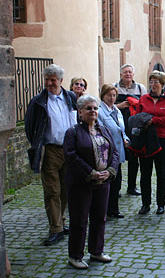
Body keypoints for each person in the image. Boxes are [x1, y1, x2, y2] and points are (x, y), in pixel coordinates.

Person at [25, 64, 77, 246]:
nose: (49, 83)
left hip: (69, 150)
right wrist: (37, 145)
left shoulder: (70, 97)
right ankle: (55, 229)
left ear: (61, 81)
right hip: (50, 151)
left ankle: (61, 223)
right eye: (47, 80)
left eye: (53, 80)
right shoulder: (38, 102)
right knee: (52, 191)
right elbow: (30, 127)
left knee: (65, 189)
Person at [64, 95, 119, 269]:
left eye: (95, 108)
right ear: (80, 112)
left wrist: (109, 171)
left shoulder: (103, 129)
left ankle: (96, 251)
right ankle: (75, 256)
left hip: (103, 182)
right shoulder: (72, 132)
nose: (93, 111)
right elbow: (71, 156)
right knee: (79, 221)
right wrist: (91, 173)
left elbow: (115, 152)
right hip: (82, 183)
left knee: (99, 218)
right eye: (89, 108)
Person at [137, 70, 165, 215]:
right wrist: (146, 120)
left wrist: (152, 120)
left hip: (162, 139)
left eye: (156, 82)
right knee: (145, 173)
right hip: (145, 139)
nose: (153, 84)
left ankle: (161, 204)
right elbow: (138, 117)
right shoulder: (144, 99)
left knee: (161, 173)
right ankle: (145, 204)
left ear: (162, 84)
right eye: (151, 81)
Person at [98, 84, 130, 219]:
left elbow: (121, 129)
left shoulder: (116, 109)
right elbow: (100, 130)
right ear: (103, 96)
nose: (111, 98)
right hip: (106, 152)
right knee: (107, 182)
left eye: (114, 95)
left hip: (118, 152)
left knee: (117, 181)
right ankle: (103, 210)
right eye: (109, 95)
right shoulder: (100, 111)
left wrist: (125, 138)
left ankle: (114, 209)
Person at [115, 63, 147, 196]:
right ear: (121, 74)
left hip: (135, 127)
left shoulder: (140, 88)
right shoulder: (115, 87)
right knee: (116, 158)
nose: (127, 74)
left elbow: (145, 105)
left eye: (130, 72)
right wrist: (119, 106)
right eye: (125, 72)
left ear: (133, 74)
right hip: (118, 126)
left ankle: (132, 187)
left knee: (134, 158)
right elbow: (107, 105)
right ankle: (116, 188)